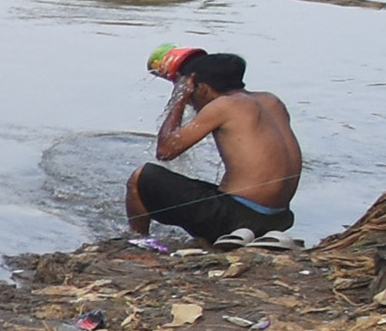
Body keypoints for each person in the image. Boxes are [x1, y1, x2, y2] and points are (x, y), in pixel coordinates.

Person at [124, 52, 301, 242]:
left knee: (141, 178)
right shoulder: (271, 101)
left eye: (193, 93)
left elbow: (166, 150)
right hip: (279, 219)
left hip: (235, 218)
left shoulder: (225, 105)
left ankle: (139, 242)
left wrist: (179, 97)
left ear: (204, 89)